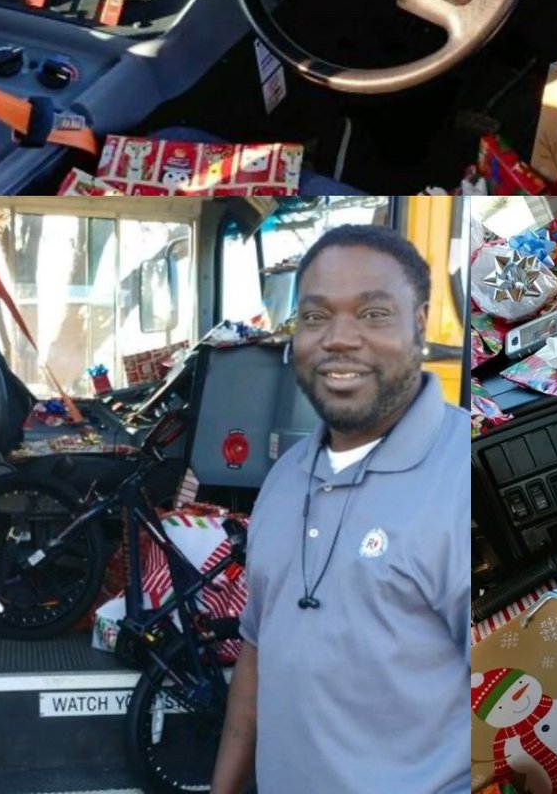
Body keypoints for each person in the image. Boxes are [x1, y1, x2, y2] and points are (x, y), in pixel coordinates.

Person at [211, 224, 470, 794]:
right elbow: (257, 660)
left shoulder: (467, 477)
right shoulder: (284, 478)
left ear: (420, 324)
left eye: (374, 314)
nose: (339, 339)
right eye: (315, 316)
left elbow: (523, 714)